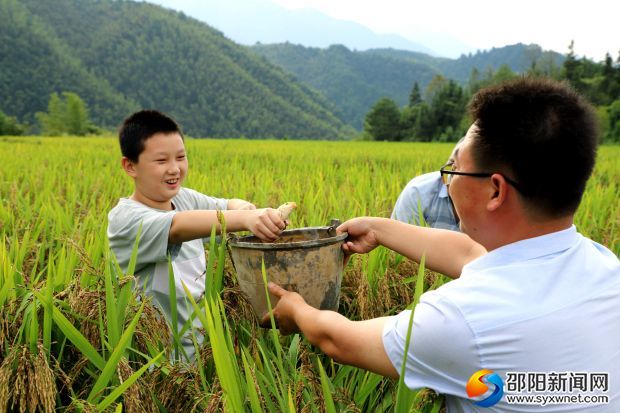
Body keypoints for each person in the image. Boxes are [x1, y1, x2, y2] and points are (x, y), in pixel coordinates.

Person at [266, 78, 620, 412]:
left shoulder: (463, 320)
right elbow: (469, 254)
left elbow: (338, 340)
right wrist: (379, 229)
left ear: (495, 190)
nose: (447, 181)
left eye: (454, 169)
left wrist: (297, 309)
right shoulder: (605, 266)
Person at [107, 109, 286, 360]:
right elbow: (177, 226)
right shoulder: (125, 219)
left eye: (181, 157)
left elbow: (226, 206)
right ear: (130, 166)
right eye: (161, 161)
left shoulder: (183, 198)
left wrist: (246, 209)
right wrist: (245, 220)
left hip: (201, 362)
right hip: (153, 368)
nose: (175, 169)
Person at [391, 140, 462, 231]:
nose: (452, 174)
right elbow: (401, 239)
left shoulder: (485, 204)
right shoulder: (417, 192)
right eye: (452, 166)